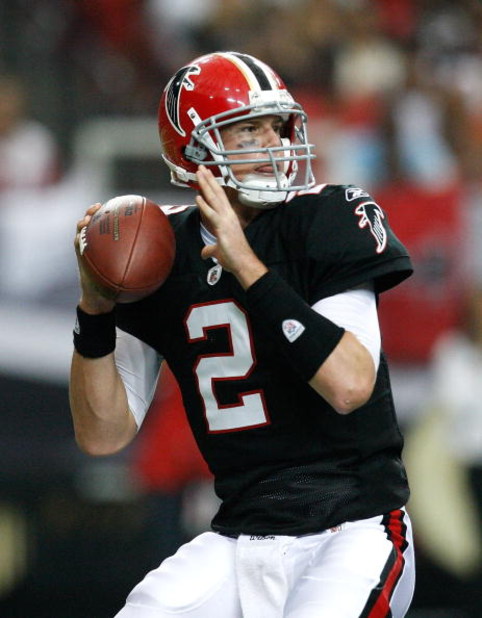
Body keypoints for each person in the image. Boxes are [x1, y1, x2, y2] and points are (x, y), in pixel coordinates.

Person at [70, 51, 415, 617]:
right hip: (236, 536)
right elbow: (103, 435)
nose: (274, 145)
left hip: (352, 529)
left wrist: (250, 269)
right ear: (193, 151)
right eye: (247, 130)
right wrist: (95, 305)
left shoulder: (327, 217)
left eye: (275, 126)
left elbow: (351, 384)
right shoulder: (160, 251)